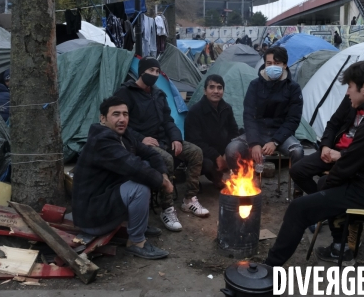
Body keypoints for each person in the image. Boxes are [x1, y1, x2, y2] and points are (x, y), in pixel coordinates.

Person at [265, 61, 364, 267]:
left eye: (350, 87)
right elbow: (352, 157)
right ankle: (340, 245)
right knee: (324, 184)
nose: (348, 93)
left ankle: (270, 267)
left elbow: (346, 167)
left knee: (299, 208)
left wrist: (323, 191)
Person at [114, 57, 208, 232]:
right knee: (165, 160)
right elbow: (121, 124)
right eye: (151, 71)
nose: (155, 75)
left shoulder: (158, 94)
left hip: (163, 140)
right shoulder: (125, 93)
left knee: (195, 152)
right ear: (142, 71)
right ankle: (167, 208)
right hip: (139, 144)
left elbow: (168, 120)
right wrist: (141, 139)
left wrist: (175, 138)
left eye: (157, 71)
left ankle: (189, 199)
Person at [72, 97, 170, 260]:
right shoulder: (102, 140)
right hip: (91, 215)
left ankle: (140, 226)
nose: (122, 119)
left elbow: (150, 152)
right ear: (103, 118)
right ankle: (136, 242)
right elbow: (133, 166)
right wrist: (162, 182)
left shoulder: (125, 134)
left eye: (125, 114)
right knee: (140, 186)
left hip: (105, 197)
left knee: (145, 166)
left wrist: (163, 173)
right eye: (116, 114)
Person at [225, 46, 304, 174]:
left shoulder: (293, 88)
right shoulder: (255, 85)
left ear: (284, 65)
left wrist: (276, 141)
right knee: (232, 149)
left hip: (281, 135)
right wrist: (254, 143)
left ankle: (297, 190)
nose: (272, 66)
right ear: (265, 64)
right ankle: (243, 181)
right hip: (257, 132)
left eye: (276, 63)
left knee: (297, 151)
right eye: (269, 63)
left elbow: (293, 119)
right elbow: (249, 115)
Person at [290, 95, 353, 196]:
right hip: (333, 150)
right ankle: (320, 199)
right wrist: (325, 146)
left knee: (324, 182)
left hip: (351, 158)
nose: (347, 91)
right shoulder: (350, 99)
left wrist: (341, 155)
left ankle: (323, 201)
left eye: (350, 87)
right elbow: (333, 124)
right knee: (297, 171)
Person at [185, 75, 239, 189]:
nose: (216, 91)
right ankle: (192, 177)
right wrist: (217, 156)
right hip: (203, 153)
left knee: (241, 148)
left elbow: (234, 132)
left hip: (222, 150)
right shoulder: (195, 112)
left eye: (219, 88)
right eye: (212, 87)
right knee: (207, 164)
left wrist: (227, 153)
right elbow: (194, 141)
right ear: (205, 91)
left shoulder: (226, 109)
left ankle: (231, 178)